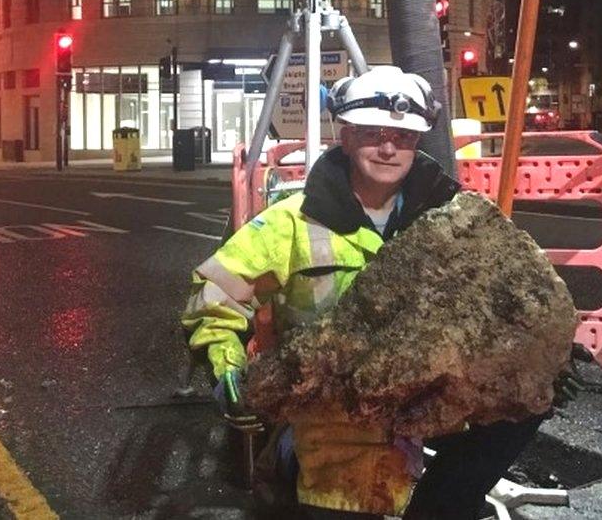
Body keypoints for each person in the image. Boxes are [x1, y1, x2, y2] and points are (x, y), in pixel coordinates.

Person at [182, 66, 544, 519]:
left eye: (404, 137)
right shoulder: (290, 222)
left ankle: (438, 504)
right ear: (346, 136)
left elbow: (503, 304)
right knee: (347, 499)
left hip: (427, 400)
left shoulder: (453, 221)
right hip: (330, 412)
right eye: (373, 134)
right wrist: (227, 370)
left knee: (525, 404)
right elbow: (215, 292)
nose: (389, 148)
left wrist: (541, 358)